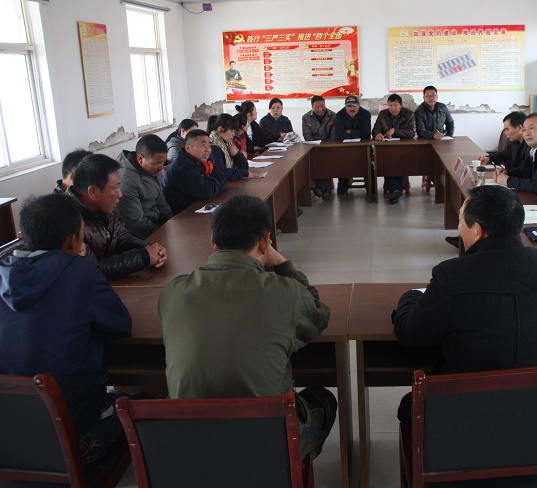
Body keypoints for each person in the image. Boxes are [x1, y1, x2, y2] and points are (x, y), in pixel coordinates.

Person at [159, 194, 336, 460]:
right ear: (265, 241)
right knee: (323, 399)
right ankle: (281, 471)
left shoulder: (173, 292)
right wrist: (282, 264)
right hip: (268, 446)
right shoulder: (284, 292)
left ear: (213, 242)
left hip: (192, 446)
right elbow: (318, 317)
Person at [392, 186, 537, 423]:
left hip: (462, 417)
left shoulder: (452, 275)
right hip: (532, 416)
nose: (459, 228)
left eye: (460, 221)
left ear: (477, 230)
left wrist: (410, 296)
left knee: (408, 406)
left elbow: (410, 333)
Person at [0, 194, 136, 463]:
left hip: (13, 442)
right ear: (72, 241)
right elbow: (120, 326)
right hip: (76, 440)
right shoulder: (80, 272)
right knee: (144, 403)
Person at [68, 154, 167, 280]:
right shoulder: (69, 220)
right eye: (115, 188)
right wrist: (143, 256)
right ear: (93, 191)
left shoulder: (102, 207)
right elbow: (92, 268)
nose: (120, 194)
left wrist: (152, 248)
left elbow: (123, 238)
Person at [446, 111, 530, 248]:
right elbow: (503, 155)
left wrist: (508, 176)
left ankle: (475, 237)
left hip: (521, 187)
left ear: (520, 128)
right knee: (485, 201)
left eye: (507, 129)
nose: (505, 133)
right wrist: (489, 159)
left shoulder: (530, 146)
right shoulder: (514, 143)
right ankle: (468, 235)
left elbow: (526, 171)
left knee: (491, 205)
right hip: (512, 183)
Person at [115, 134, 174, 239]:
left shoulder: (151, 169)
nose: (161, 168)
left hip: (156, 226)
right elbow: (136, 224)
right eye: (157, 163)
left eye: (163, 163)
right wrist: (163, 235)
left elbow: (162, 204)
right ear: (140, 158)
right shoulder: (126, 182)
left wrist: (173, 223)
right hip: (138, 236)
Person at [164, 129, 228, 214]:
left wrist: (210, 183)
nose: (208, 150)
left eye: (209, 145)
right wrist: (213, 182)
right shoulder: (182, 167)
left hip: (198, 205)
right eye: (203, 145)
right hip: (181, 214)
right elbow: (207, 191)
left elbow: (223, 178)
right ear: (188, 148)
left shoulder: (202, 160)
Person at [372, 93, 416, 204]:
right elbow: (376, 129)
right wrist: (377, 134)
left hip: (404, 148)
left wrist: (394, 130)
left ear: (401, 105)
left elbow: (411, 132)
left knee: (402, 162)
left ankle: (395, 190)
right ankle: (396, 190)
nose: (393, 108)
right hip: (387, 148)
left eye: (396, 105)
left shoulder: (409, 114)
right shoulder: (383, 114)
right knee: (386, 162)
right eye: (390, 105)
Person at [332, 95, 371, 195]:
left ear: (359, 105)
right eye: (349, 106)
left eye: (354, 106)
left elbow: (366, 134)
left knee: (368, 163)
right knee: (342, 163)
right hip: (345, 149)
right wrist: (357, 133)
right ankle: (343, 187)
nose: (352, 109)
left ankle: (371, 187)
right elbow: (339, 135)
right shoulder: (339, 115)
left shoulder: (365, 114)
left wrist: (350, 132)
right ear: (345, 107)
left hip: (363, 148)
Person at [302, 95, 336, 200]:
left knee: (326, 160)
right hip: (314, 148)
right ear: (312, 107)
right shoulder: (306, 117)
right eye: (316, 107)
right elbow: (307, 135)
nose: (320, 109)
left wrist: (327, 146)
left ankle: (321, 187)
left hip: (329, 148)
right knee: (315, 161)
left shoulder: (333, 116)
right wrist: (316, 146)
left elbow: (334, 135)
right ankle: (325, 188)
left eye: (322, 106)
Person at [206, 113, 255, 180]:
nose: (233, 134)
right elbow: (222, 173)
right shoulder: (213, 147)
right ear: (220, 129)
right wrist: (244, 173)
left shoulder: (227, 144)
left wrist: (236, 154)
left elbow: (244, 167)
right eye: (231, 131)